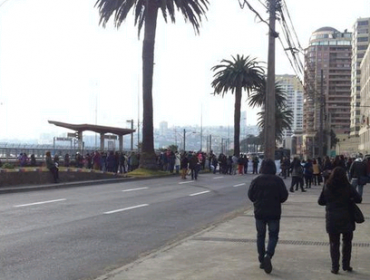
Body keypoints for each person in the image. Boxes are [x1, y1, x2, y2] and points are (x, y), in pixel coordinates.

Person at [318, 167, 362, 274]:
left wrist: (330, 202)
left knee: (334, 244)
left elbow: (320, 201)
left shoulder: (327, 186)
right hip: (347, 218)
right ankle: (346, 265)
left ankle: (335, 267)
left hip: (332, 219)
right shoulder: (348, 186)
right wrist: (350, 199)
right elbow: (359, 199)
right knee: (347, 243)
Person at [248, 159, 289, 274]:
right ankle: (268, 255)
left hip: (260, 211)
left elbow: (250, 195)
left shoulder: (256, 179)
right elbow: (284, 196)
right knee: (273, 235)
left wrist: (258, 201)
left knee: (260, 235)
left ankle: (261, 258)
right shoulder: (278, 180)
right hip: (274, 212)